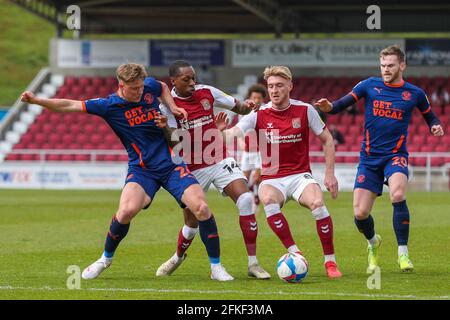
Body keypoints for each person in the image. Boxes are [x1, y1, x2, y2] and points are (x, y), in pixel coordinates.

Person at [20, 63, 234, 281]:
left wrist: (173, 107)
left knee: (202, 207)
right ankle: (105, 259)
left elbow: (160, 86)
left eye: (141, 87)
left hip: (172, 164)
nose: (140, 91)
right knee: (125, 212)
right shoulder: (108, 105)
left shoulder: (148, 87)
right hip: (143, 170)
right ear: (121, 85)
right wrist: (37, 100)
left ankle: (216, 268)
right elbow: (68, 104)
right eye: (134, 88)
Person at [314, 45, 445, 272]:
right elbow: (341, 104)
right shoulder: (368, 85)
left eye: (391, 65)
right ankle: (373, 242)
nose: (386, 69)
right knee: (360, 213)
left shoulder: (415, 94)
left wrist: (435, 126)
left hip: (395, 156)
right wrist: (329, 107)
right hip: (369, 159)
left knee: (398, 193)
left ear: (402, 66)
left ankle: (403, 253)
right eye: (383, 65)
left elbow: (431, 117)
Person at [222, 66, 343, 278]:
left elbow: (327, 140)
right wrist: (220, 132)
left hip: (299, 176)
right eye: (270, 86)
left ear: (290, 86)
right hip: (272, 177)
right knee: (267, 199)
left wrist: (329, 174)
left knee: (317, 203)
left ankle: (330, 262)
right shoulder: (258, 113)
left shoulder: (305, 110)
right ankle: (295, 252)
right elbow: (233, 133)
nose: (274, 90)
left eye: (279, 85)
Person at [156, 60, 271, 279]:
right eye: (186, 79)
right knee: (191, 223)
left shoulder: (207, 92)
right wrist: (164, 128)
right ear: (174, 82)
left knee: (246, 199)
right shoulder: (166, 107)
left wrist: (247, 106)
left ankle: (253, 264)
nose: (192, 82)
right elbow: (176, 143)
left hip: (219, 158)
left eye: (193, 77)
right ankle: (178, 256)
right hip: (191, 167)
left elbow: (237, 106)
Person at [239, 84, 267, 214]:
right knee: (244, 179)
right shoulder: (244, 112)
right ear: (250, 97)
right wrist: (240, 143)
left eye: (259, 98)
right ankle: (254, 197)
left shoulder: (266, 112)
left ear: (263, 99)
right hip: (247, 151)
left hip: (260, 152)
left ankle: (256, 199)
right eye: (254, 97)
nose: (256, 100)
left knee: (257, 177)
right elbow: (240, 132)